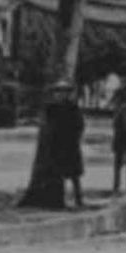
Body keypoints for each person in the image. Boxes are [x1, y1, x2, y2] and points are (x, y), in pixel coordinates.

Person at [42, 80, 87, 208]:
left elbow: (80, 125)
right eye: (58, 92)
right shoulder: (51, 108)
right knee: (58, 175)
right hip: (57, 145)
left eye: (64, 92)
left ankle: (78, 199)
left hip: (70, 145)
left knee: (74, 176)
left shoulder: (73, 108)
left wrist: (76, 137)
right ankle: (59, 200)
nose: (61, 95)